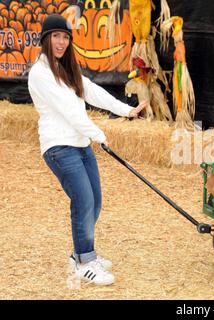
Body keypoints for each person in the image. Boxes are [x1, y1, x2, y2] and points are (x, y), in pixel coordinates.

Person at [27, 14, 148, 286]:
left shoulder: (66, 68)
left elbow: (92, 91)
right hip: (60, 147)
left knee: (95, 200)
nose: (61, 42)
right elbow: (69, 111)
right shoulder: (41, 73)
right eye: (56, 36)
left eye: (66, 37)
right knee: (83, 201)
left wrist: (126, 110)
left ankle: (81, 253)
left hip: (80, 144)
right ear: (46, 39)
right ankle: (84, 261)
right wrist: (99, 135)